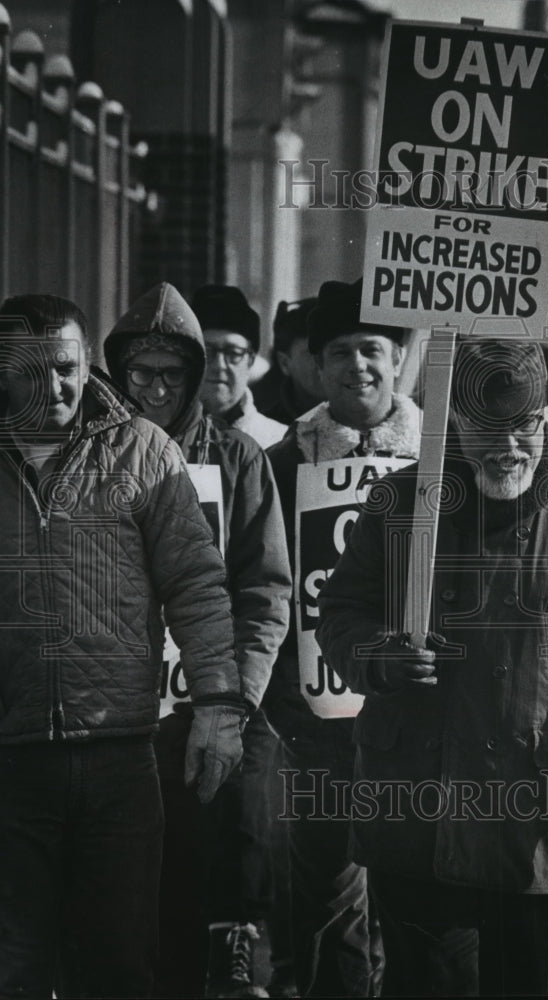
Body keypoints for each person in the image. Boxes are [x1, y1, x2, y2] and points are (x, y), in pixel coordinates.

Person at [316, 338, 548, 997]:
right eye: (485, 428)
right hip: (415, 803)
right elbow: (340, 614)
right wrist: (377, 655)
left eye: (523, 425)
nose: (507, 446)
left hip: (526, 814)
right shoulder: (400, 503)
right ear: (452, 423)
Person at [0, 293, 246, 998]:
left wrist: (219, 709)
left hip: (119, 760)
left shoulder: (142, 448)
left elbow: (198, 585)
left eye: (69, 368)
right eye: (34, 369)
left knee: (116, 968)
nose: (57, 388)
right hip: (10, 769)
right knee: (14, 968)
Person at [103, 282, 291, 999]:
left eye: (170, 375)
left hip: (197, 709)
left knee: (198, 881)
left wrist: (232, 699)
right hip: (112, 711)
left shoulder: (237, 459)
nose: (153, 389)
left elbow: (263, 587)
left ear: (192, 378)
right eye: (139, 373)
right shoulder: (90, 454)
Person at [263, 277, 421, 998]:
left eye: (372, 350)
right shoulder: (284, 464)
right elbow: (263, 586)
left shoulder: (441, 462)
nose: (358, 365)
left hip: (419, 722)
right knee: (328, 906)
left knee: (418, 903)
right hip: (320, 726)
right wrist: (286, 710)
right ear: (316, 368)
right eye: (339, 353)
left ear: (399, 361)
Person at [191, 284, 287, 449]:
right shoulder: (161, 438)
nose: (219, 365)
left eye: (233, 353)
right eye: (207, 351)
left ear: (250, 360)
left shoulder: (279, 443)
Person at [251, 297, 325, 424]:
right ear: (284, 363)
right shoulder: (263, 424)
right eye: (312, 353)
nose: (325, 361)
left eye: (336, 351)